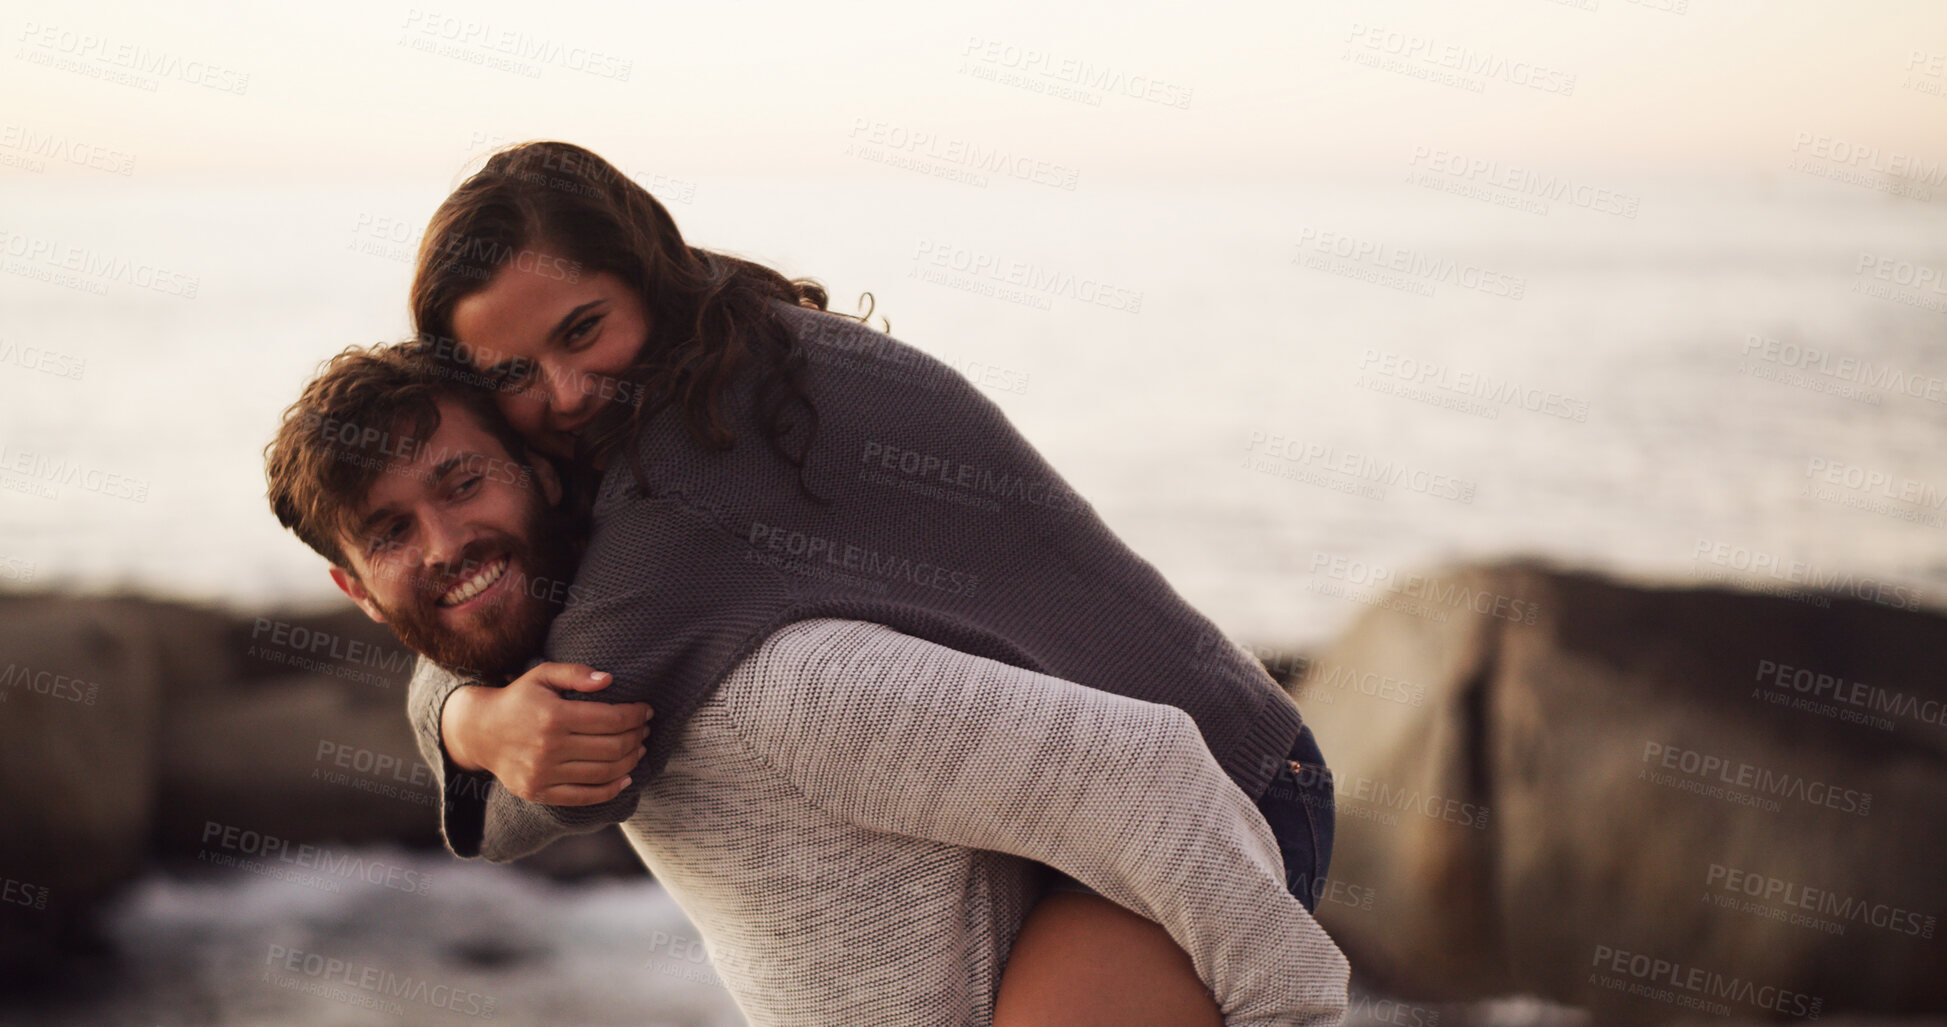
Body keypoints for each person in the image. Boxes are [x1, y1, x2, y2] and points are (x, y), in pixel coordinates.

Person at [403, 140, 1341, 1022]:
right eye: (516, 374)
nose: (567, 392)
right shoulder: (734, 330)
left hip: (1216, 793)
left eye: (583, 330)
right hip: (1104, 790)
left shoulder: (690, 467)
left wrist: (468, 722)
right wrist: (464, 711)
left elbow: (565, 772)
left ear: (645, 277)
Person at [261, 346, 1351, 1025]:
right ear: (353, 589)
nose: (449, 541)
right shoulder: (530, 689)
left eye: (463, 481)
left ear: (542, 472)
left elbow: (1146, 765)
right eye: (393, 531)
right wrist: (460, 718)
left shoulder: (774, 689)